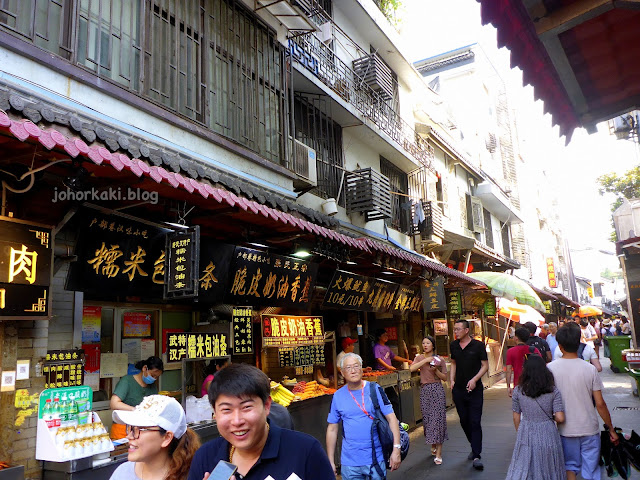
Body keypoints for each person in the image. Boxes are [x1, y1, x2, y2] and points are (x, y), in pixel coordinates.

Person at [188, 363, 333, 480]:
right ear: (215, 412)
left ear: (267, 405)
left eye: (246, 407)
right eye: (226, 410)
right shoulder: (205, 458)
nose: (237, 421)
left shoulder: (305, 452)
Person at [548, 324, 619, 480]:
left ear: (560, 346)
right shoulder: (589, 369)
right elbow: (600, 404)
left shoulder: (550, 369)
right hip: (589, 428)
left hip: (565, 429)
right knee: (591, 470)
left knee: (569, 467)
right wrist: (611, 429)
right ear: (579, 342)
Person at [326, 352, 403, 480]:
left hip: (375, 459)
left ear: (362, 369)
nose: (353, 371)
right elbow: (332, 429)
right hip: (349, 463)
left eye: (356, 366)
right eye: (348, 368)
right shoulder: (338, 396)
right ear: (342, 373)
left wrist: (396, 449)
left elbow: (391, 418)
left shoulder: (375, 389)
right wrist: (330, 460)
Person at [110, 395, 200, 480]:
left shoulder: (191, 476)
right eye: (131, 428)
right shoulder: (122, 473)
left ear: (167, 438)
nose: (129, 436)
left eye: (140, 429)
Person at [505, 355, 566, 480]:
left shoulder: (518, 391)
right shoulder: (553, 391)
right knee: (548, 466)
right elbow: (560, 418)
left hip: (526, 430)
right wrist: (551, 418)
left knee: (525, 465)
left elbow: (516, 417)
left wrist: (521, 431)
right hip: (548, 431)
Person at [450, 319, 488, 471]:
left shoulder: (478, 346)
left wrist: (475, 379)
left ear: (466, 330)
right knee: (464, 420)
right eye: (455, 329)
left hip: (475, 390)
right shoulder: (454, 345)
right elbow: (453, 363)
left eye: (458, 329)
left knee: (475, 421)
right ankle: (474, 446)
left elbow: (485, 365)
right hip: (458, 389)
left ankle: (477, 454)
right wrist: (451, 380)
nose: (456, 332)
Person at [410, 336, 448, 465]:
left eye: (428, 343)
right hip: (425, 390)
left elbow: (445, 378)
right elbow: (411, 368)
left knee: (438, 419)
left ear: (433, 345)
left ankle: (439, 453)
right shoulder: (419, 358)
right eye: (423, 343)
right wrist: (426, 360)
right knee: (427, 420)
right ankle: (433, 443)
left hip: (437, 389)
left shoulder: (440, 359)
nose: (425, 345)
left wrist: (436, 370)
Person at [110, 356, 164, 440]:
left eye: (157, 377)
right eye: (152, 375)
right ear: (144, 368)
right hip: (122, 429)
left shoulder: (152, 386)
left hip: (141, 430)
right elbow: (114, 403)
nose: (154, 379)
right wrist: (135, 409)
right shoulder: (126, 381)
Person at [373, 328, 412, 417]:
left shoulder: (387, 348)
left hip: (389, 373)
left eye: (387, 335)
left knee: (393, 398)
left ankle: (396, 417)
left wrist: (406, 360)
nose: (386, 337)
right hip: (382, 373)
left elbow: (394, 357)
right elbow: (378, 359)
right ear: (379, 337)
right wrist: (388, 367)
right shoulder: (377, 347)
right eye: (384, 335)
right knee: (388, 398)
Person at [506, 327, 541, 397]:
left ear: (516, 338)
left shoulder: (510, 351)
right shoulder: (534, 350)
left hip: (518, 384)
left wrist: (508, 386)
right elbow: (541, 366)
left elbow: (508, 370)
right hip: (533, 383)